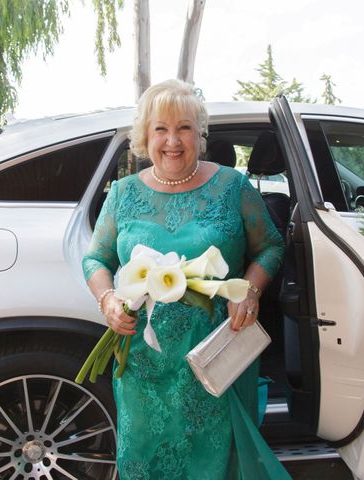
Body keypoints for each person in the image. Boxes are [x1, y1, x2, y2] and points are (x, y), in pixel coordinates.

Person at [82, 79, 290, 478]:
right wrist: (108, 300)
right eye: (161, 128)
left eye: (184, 128)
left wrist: (249, 289)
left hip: (214, 353)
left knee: (213, 462)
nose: (172, 140)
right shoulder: (122, 194)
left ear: (201, 134)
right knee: (146, 459)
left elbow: (271, 247)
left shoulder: (233, 187)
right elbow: (96, 258)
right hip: (144, 360)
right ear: (145, 136)